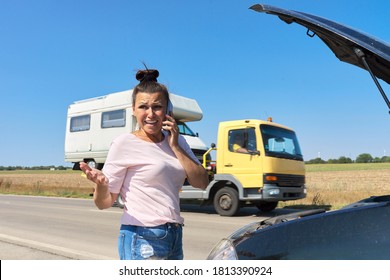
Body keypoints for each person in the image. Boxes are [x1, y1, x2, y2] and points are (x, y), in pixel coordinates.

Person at [80, 68, 209, 260]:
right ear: (133, 110)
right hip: (141, 236)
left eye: (157, 107)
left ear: (167, 110)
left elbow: (202, 182)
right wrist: (101, 185)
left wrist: (175, 145)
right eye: (143, 107)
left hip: (174, 233)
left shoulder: (178, 141)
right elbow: (103, 203)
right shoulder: (124, 143)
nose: (150, 114)